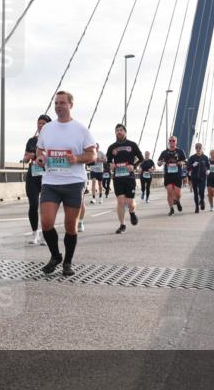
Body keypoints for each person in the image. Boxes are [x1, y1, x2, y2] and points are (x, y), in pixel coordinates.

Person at [34, 91, 96, 276]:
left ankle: (67, 262)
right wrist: (40, 158)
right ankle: (55, 256)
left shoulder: (81, 129)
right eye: (56, 103)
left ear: (71, 105)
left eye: (62, 103)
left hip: (74, 182)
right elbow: (39, 150)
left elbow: (92, 154)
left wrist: (77, 158)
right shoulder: (47, 129)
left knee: (70, 225)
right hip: (51, 182)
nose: (58, 106)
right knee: (46, 222)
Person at [107, 124, 144, 234]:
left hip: (129, 177)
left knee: (130, 203)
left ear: (125, 132)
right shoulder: (112, 147)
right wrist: (110, 165)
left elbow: (141, 158)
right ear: (115, 132)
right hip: (118, 177)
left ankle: (132, 212)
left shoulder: (132, 145)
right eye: (117, 130)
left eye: (121, 130)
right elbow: (107, 161)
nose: (119, 132)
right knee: (120, 201)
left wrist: (134, 166)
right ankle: (122, 225)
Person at [23, 114, 51, 245]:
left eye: (43, 123)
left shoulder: (53, 140)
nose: (40, 125)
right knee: (33, 205)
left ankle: (46, 235)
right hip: (33, 176)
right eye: (39, 123)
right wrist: (28, 157)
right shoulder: (31, 141)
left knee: (46, 207)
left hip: (47, 176)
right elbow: (25, 158)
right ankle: (35, 234)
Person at [157, 136, 186, 215]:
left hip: (177, 175)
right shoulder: (164, 152)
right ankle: (171, 209)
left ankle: (178, 201)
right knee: (169, 192)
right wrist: (160, 163)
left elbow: (185, 161)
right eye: (170, 140)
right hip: (168, 175)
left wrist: (182, 162)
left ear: (176, 142)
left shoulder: (180, 151)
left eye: (173, 141)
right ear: (168, 142)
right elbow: (158, 162)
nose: (171, 142)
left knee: (177, 193)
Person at [186, 142, 209, 213]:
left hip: (203, 177)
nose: (198, 149)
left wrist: (208, 170)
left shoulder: (205, 157)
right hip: (194, 177)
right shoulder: (192, 157)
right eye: (197, 148)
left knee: (201, 191)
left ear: (202, 148)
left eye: (199, 148)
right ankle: (196, 207)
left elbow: (208, 166)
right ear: (195, 148)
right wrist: (192, 165)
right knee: (195, 193)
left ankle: (202, 201)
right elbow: (188, 168)